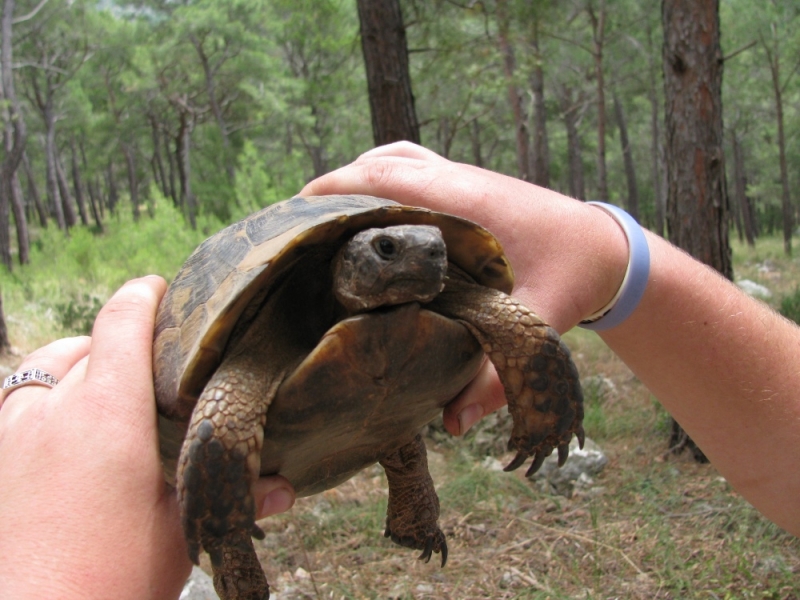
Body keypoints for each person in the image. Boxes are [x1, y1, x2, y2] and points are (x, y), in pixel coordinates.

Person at [1, 142, 797, 597]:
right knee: (229, 426)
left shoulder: (451, 290)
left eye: (429, 250)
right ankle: (238, 556)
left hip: (387, 413)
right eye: (388, 250)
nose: (416, 259)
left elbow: (513, 322)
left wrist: (548, 402)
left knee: (408, 416)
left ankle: (410, 506)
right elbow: (218, 412)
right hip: (267, 382)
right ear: (350, 262)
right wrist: (226, 549)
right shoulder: (267, 330)